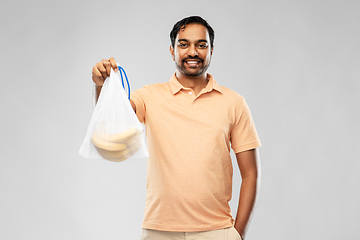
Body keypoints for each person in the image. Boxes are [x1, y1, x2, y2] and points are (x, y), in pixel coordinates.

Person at [91, 16, 261, 240]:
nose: (193, 52)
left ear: (211, 50)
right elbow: (114, 122)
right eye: (184, 44)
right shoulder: (149, 96)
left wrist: (237, 235)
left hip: (217, 231)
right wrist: (101, 85)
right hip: (159, 232)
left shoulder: (234, 103)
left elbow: (250, 174)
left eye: (202, 45)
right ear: (172, 51)